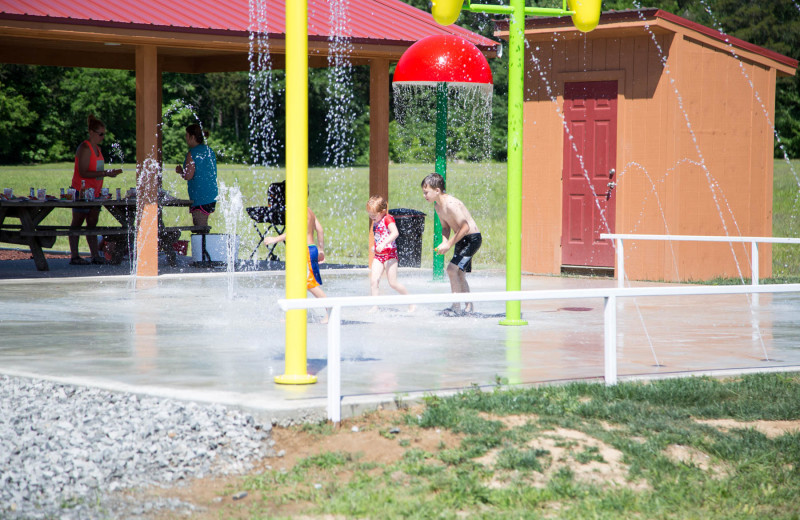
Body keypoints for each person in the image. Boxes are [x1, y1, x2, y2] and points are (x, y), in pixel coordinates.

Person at [421, 173, 482, 316]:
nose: (424, 196)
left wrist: (449, 244)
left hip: (472, 239)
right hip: (461, 239)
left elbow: (465, 227)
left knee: (451, 270)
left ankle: (456, 307)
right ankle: (468, 307)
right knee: (459, 273)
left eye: (426, 192)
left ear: (437, 191)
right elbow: (446, 227)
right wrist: (444, 241)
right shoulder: (438, 207)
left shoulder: (451, 204)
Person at [69, 114, 123, 265]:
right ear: (92, 132)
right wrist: (105, 173)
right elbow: (83, 172)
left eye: (104, 134)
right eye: (100, 134)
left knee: (92, 223)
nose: (103, 137)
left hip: (95, 193)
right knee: (77, 223)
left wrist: (107, 174)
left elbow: (97, 170)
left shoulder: (97, 149)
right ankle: (74, 256)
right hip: (82, 191)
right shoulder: (85, 147)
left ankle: (94, 255)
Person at [263, 206, 329, 323]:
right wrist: (321, 249)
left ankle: (331, 311)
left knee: (310, 284)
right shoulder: (310, 211)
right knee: (298, 282)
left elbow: (295, 231)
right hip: (311, 248)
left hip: (306, 250)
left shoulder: (299, 210)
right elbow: (320, 230)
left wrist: (275, 239)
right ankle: (296, 313)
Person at [366, 195, 414, 312]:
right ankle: (375, 305)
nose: (372, 217)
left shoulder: (388, 219)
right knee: (374, 280)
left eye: (374, 215)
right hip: (379, 256)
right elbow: (380, 236)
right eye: (370, 214)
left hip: (390, 256)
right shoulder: (376, 220)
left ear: (383, 211)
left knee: (393, 283)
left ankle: (411, 302)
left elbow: (395, 233)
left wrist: (383, 244)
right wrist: (376, 246)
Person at [175, 124, 218, 228]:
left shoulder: (192, 153)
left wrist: (181, 171)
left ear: (192, 137)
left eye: (187, 135)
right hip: (211, 194)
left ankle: (203, 244)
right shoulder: (209, 150)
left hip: (200, 196)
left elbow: (188, 176)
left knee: (200, 227)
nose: (185, 138)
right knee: (202, 225)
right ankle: (203, 243)